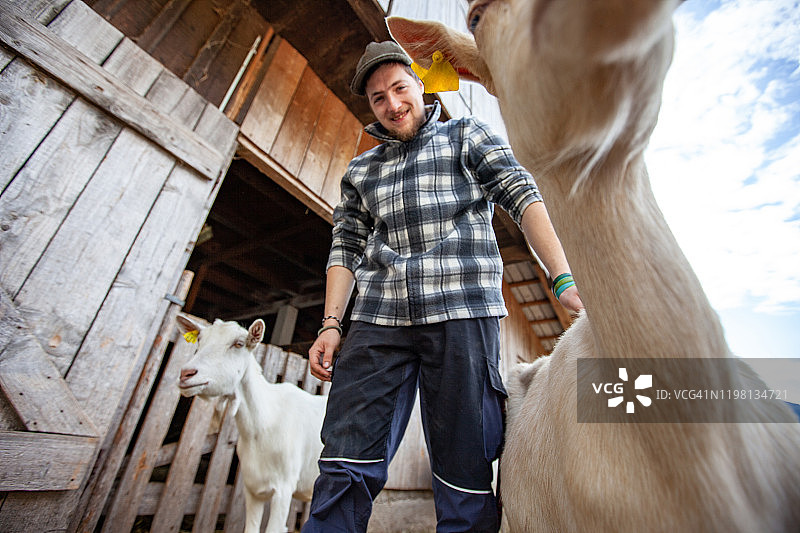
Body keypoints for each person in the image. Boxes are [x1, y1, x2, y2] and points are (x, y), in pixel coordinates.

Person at [302, 41, 583, 533]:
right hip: (378, 317)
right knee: (345, 454)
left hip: (461, 308)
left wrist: (562, 278)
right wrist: (330, 324)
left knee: (465, 462)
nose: (392, 105)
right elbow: (345, 247)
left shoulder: (466, 135)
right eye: (378, 98)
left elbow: (522, 196)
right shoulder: (361, 171)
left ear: (420, 84)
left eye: (399, 88)